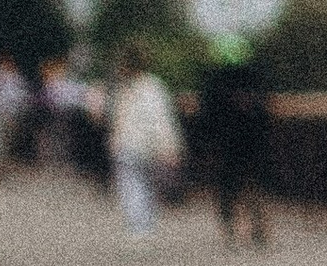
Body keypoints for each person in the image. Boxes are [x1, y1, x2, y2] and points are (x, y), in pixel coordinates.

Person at [190, 42, 275, 248]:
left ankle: (230, 230)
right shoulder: (255, 81)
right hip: (253, 142)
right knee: (254, 184)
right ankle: (258, 229)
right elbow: (264, 114)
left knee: (226, 186)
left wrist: (202, 144)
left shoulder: (213, 83)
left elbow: (205, 117)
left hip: (225, 144)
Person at [105, 46, 182, 241]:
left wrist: (114, 138)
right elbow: (162, 118)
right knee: (146, 184)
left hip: (127, 143)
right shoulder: (154, 86)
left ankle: (138, 226)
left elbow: (115, 116)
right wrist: (169, 144)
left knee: (131, 186)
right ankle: (146, 225)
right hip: (147, 144)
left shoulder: (123, 87)